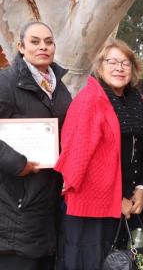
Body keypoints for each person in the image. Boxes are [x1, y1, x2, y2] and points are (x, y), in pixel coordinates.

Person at [54, 39, 143, 270]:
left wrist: (140, 189)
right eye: (112, 61)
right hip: (94, 210)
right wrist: (117, 201)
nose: (119, 68)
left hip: (129, 202)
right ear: (100, 66)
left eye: (125, 63)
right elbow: (78, 163)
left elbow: (142, 149)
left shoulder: (135, 101)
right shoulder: (89, 101)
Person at [0, 21, 71, 270]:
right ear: (21, 46)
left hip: (50, 202)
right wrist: (17, 163)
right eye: (35, 41)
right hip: (16, 202)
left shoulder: (60, 87)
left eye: (49, 41)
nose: (43, 47)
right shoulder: (6, 82)